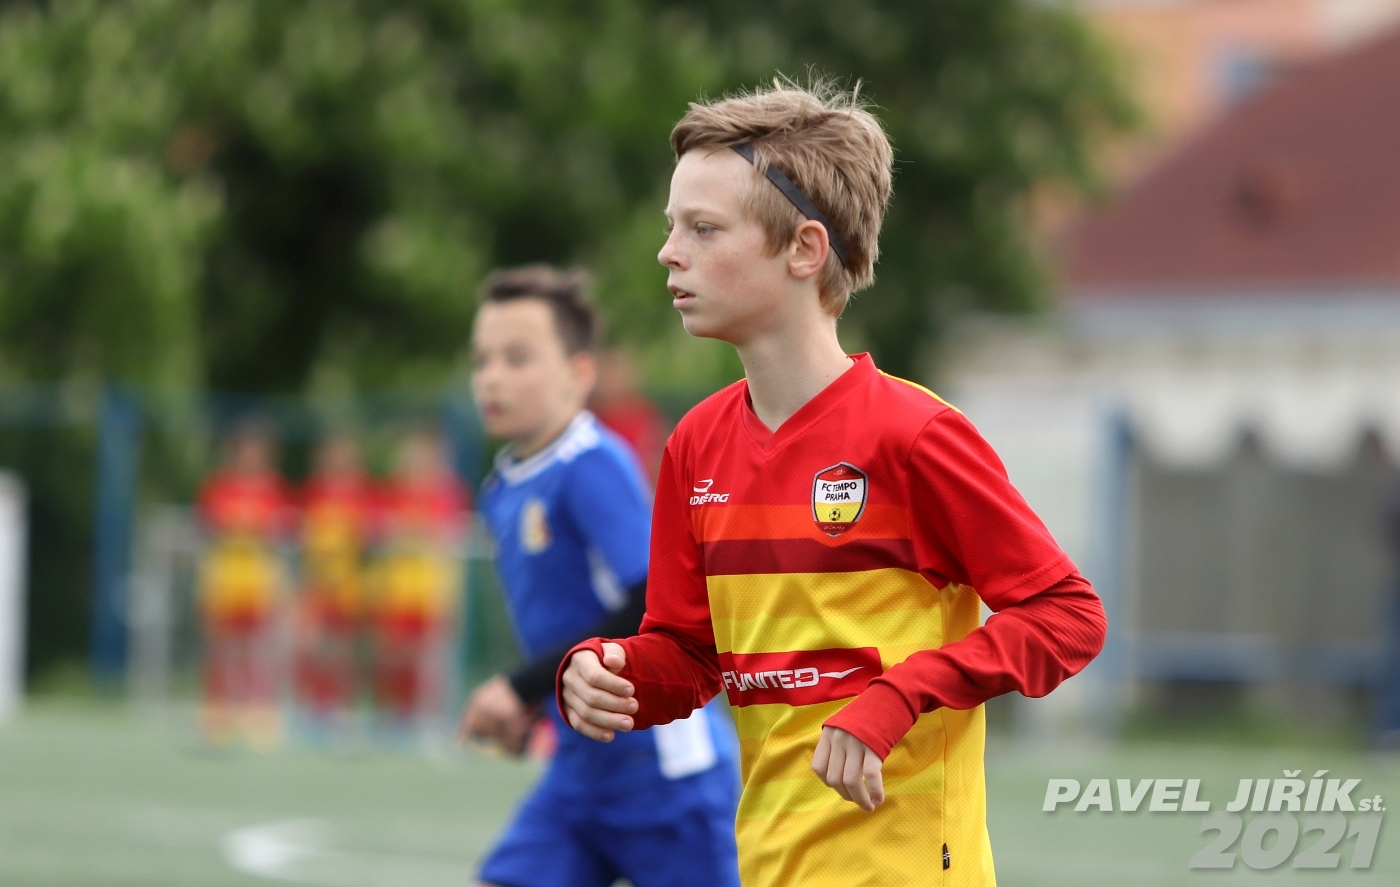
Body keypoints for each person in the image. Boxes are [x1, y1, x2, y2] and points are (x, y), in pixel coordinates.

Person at [557, 81, 1108, 886]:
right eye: (672, 226)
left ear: (805, 249)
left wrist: (903, 692)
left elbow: (1068, 615)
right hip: (767, 865)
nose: (669, 252)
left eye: (703, 228)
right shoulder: (696, 447)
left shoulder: (915, 436)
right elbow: (691, 654)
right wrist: (608, 670)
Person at [461, 265, 740, 887]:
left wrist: (520, 686)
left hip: (665, 776)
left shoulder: (591, 463)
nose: (492, 376)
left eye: (517, 358)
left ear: (579, 374)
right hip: (580, 775)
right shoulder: (503, 486)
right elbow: (570, 620)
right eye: (482, 360)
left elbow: (649, 601)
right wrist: (537, 702)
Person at [195, 419, 293, 748]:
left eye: (259, 450)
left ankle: (259, 709)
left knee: (258, 648)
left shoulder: (273, 488)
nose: (252, 455)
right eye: (247, 449)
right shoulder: (219, 486)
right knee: (223, 648)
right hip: (225, 579)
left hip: (259, 580)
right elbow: (211, 523)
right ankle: (219, 709)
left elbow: (281, 529)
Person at [369, 428, 469, 735]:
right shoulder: (395, 492)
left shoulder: (446, 492)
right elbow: (384, 530)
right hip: (398, 590)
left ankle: (431, 718)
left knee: (431, 658)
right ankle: (395, 716)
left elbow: (443, 532)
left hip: (434, 590)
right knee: (396, 655)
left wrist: (412, 531)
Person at [294, 434, 375, 737]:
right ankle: (314, 707)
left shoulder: (362, 493)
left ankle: (343, 709)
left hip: (347, 586)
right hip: (317, 585)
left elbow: (370, 534)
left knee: (343, 651)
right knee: (313, 648)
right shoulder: (314, 491)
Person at [591, 348, 670, 486]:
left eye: (617, 372)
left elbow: (661, 460)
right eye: (608, 372)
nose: (612, 380)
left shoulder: (645, 416)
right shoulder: (590, 418)